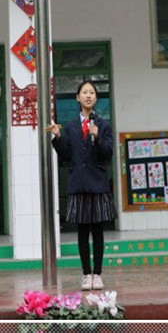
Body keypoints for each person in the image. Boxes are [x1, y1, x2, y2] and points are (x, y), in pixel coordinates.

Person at [46, 80, 116, 291]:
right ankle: (86, 274)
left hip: (98, 184)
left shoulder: (103, 125)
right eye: (84, 92)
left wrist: (97, 136)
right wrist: (58, 137)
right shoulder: (70, 126)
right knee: (82, 232)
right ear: (77, 97)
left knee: (98, 231)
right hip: (78, 183)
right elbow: (67, 155)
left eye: (91, 92)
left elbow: (108, 153)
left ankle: (98, 273)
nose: (88, 96)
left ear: (96, 98)